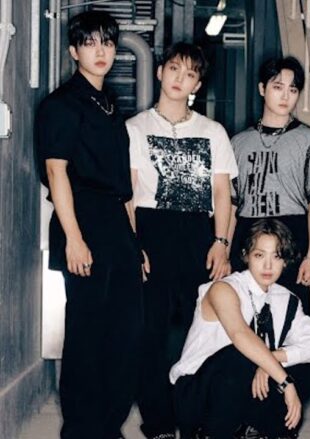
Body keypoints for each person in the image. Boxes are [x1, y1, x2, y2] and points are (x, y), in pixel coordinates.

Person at [35, 11, 144, 439]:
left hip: (116, 225)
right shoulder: (61, 104)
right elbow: (57, 171)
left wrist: (134, 243)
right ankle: (81, 430)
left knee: (126, 332)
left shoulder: (111, 105)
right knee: (87, 333)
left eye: (108, 43)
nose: (101, 51)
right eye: (90, 43)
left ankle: (108, 425)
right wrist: (74, 239)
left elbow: (124, 186)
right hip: (83, 220)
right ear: (73, 51)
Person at [126, 42, 238, 439]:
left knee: (200, 330)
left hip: (197, 233)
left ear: (197, 84)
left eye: (190, 74)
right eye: (174, 68)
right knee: (150, 332)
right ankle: (158, 423)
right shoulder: (135, 128)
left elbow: (223, 193)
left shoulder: (212, 131)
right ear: (160, 72)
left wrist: (222, 242)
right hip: (152, 231)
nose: (179, 79)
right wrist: (133, 245)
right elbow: (129, 195)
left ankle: (194, 418)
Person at [171, 219, 310, 439]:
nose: (268, 266)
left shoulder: (286, 299)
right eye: (259, 255)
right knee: (241, 355)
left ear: (285, 261)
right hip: (198, 393)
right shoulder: (223, 289)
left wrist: (272, 360)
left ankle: (257, 429)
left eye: (276, 256)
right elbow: (240, 335)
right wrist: (285, 382)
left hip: (245, 392)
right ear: (246, 255)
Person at [229, 56, 310, 317]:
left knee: (291, 317)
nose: (286, 96)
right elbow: (231, 203)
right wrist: (225, 249)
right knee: (243, 315)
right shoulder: (238, 143)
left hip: (291, 232)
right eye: (277, 87)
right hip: (248, 232)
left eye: (293, 89)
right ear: (262, 89)